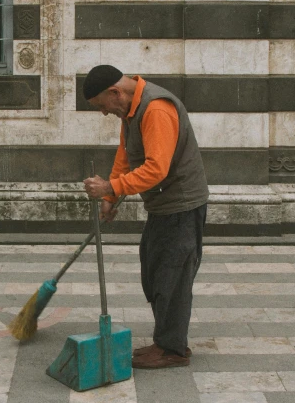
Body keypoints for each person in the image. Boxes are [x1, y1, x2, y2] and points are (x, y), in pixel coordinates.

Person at [81, 65, 209, 369]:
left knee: (172, 278)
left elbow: (156, 169)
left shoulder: (155, 110)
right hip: (164, 206)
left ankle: (172, 349)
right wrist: (111, 197)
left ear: (115, 93)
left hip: (181, 206)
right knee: (154, 272)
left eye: (102, 106)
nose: (103, 113)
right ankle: (165, 341)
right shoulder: (131, 110)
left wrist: (111, 186)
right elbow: (125, 156)